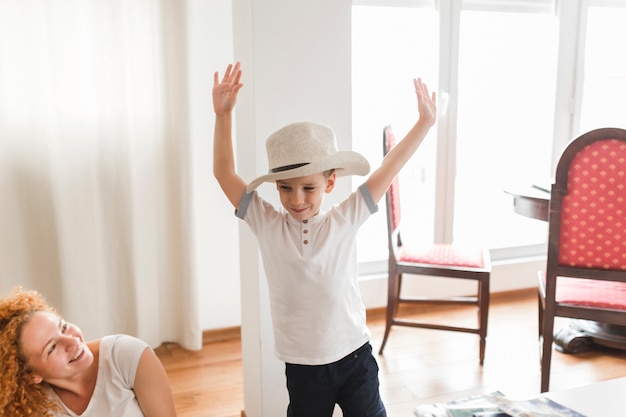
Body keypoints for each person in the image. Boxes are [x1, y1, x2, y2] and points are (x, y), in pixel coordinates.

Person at [212, 61, 436, 417]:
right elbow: (224, 173)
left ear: (330, 183)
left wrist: (424, 122)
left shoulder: (346, 217)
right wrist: (223, 116)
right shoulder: (266, 222)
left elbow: (389, 167)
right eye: (285, 188)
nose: (296, 199)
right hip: (304, 367)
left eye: (308, 187)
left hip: (355, 357)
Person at [0, 286, 177, 417]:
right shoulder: (34, 408)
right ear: (31, 376)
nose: (72, 341)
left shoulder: (127, 356)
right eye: (52, 348)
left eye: (64, 327)